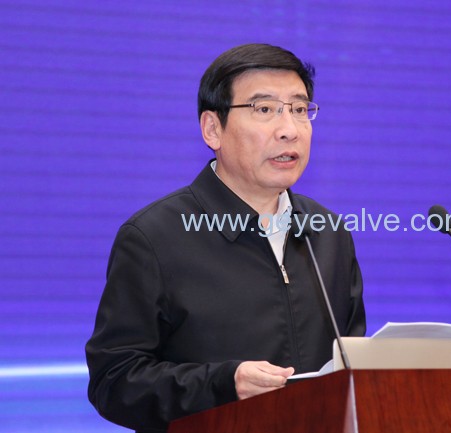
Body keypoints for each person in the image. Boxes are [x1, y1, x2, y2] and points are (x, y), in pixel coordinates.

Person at [85, 43, 366, 432]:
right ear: (212, 129)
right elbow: (114, 381)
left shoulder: (328, 233)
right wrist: (221, 384)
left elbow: (350, 365)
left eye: (300, 110)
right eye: (264, 110)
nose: (289, 130)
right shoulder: (154, 237)